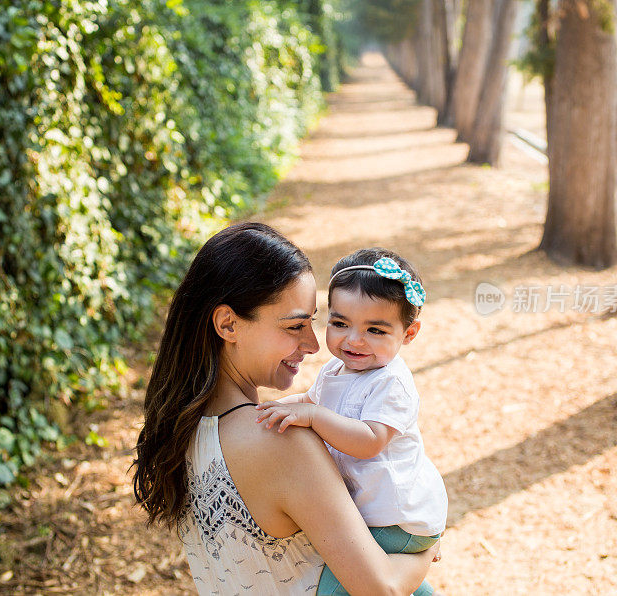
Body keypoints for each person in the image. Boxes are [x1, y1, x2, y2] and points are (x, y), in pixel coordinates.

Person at [132, 223, 439, 595]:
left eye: (313, 322)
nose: (313, 344)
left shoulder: (182, 428)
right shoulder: (283, 443)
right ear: (228, 324)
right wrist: (427, 548)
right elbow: (382, 589)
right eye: (295, 325)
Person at [255, 248, 448, 596]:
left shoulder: (391, 383)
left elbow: (370, 439)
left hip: (396, 517)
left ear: (409, 333)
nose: (354, 340)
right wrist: (273, 409)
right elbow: (309, 401)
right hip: (371, 510)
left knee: (339, 588)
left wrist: (314, 416)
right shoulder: (334, 370)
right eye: (340, 323)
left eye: (375, 329)